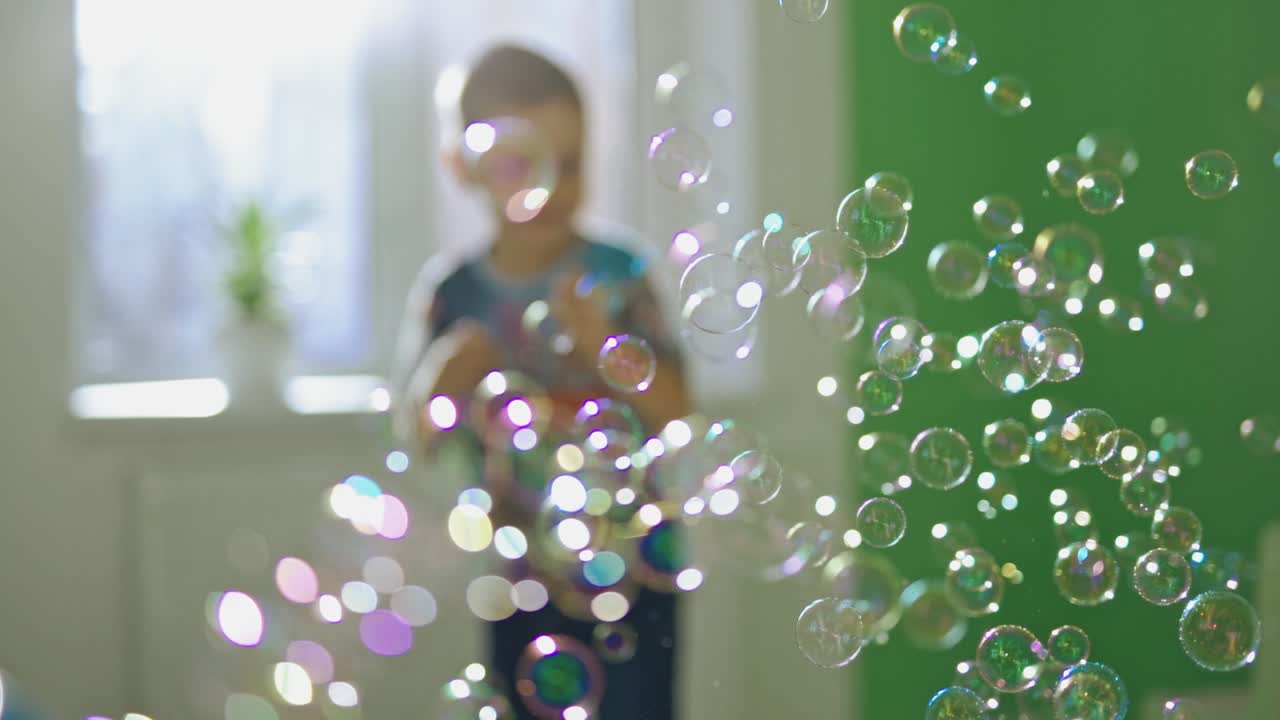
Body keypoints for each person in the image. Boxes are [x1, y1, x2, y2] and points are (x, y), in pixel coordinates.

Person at [391, 44, 691, 720]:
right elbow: (420, 437)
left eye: (572, 162)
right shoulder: (452, 294)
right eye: (521, 164)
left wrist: (608, 349)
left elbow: (679, 409)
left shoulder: (621, 275)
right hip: (518, 574)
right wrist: (443, 379)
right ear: (462, 168)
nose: (551, 185)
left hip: (636, 566)